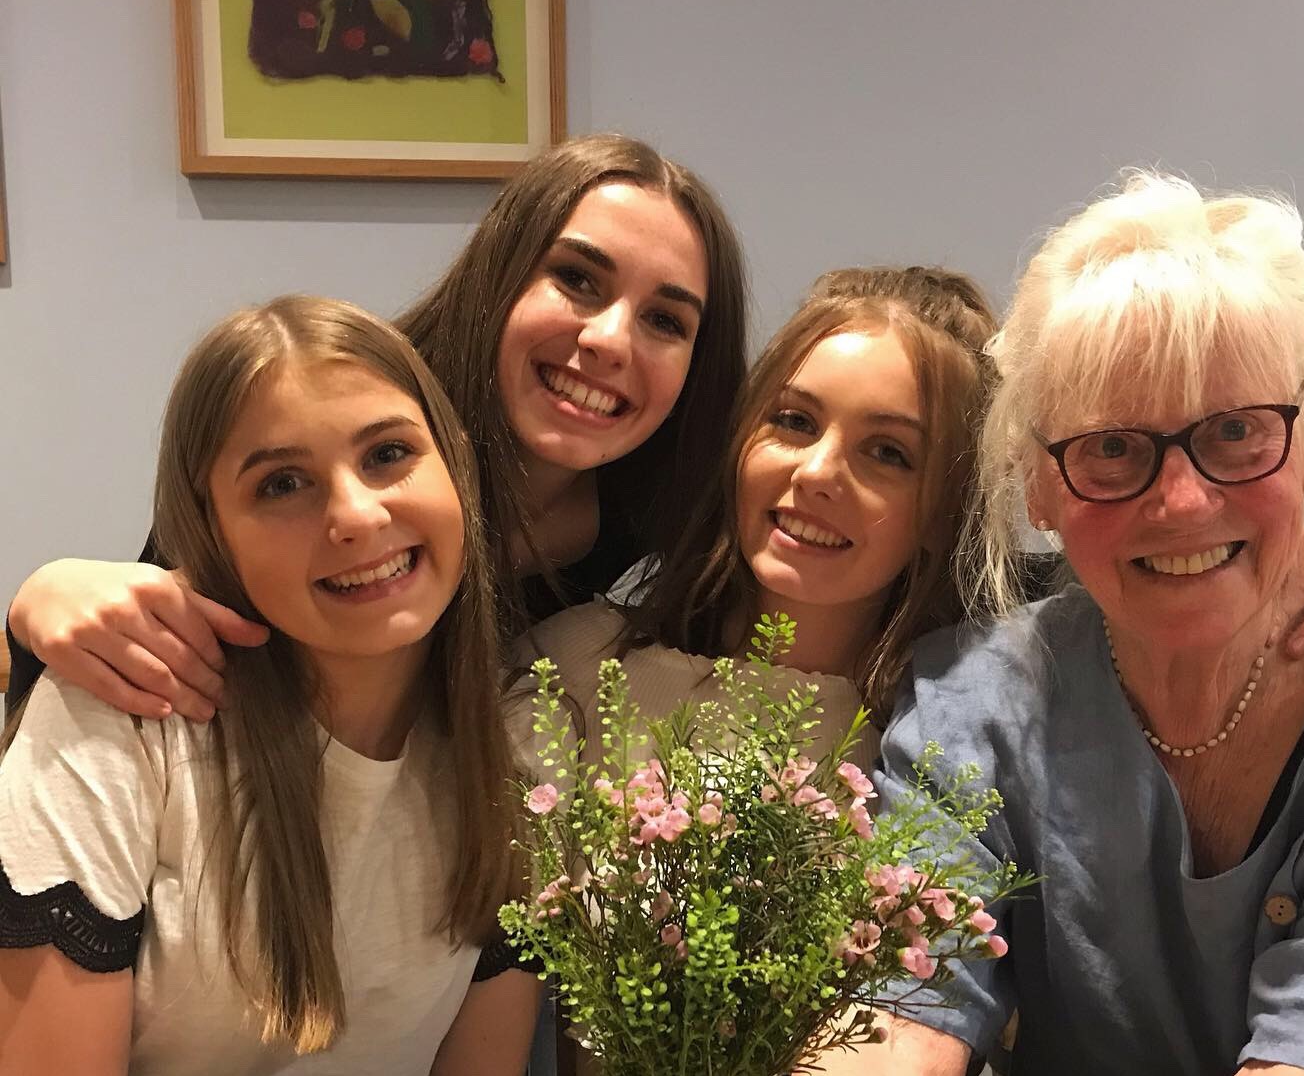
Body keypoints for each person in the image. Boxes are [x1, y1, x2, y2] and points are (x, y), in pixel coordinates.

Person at [739, 174, 1304, 1076]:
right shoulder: (976, 698)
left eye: (1235, 431)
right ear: (1043, 486)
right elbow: (900, 1011)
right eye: (1114, 447)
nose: (1183, 497)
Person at [0, 297, 538, 1076]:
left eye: (388, 455)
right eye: (282, 483)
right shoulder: (116, 729)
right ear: (211, 533)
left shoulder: (518, 770)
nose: (355, 516)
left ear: (455, 473)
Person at [507, 264, 1003, 1076]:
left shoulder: (963, 713)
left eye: (890, 455)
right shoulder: (576, 677)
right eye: (793, 422)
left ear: (949, 504)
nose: (819, 472)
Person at [4, 134, 749, 718]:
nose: (611, 341)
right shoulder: (340, 418)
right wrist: (45, 606)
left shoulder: (667, 510)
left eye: (665, 319)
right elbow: (152, 624)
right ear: (501, 271)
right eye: (577, 279)